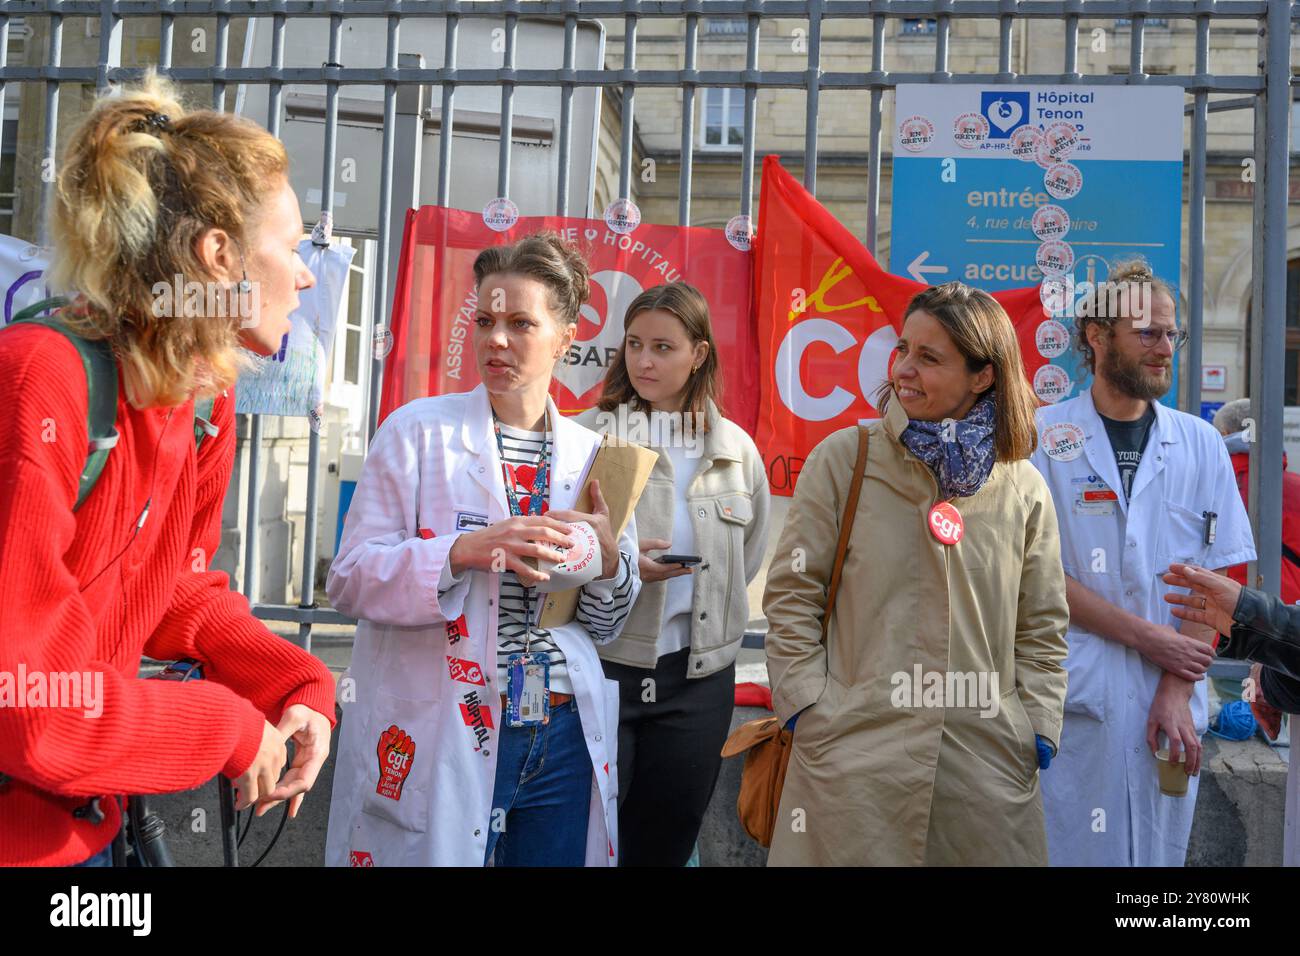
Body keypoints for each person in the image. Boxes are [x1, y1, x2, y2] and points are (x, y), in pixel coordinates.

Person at [0, 73, 337, 867]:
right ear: (217, 254)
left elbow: (168, 589)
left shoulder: (202, 400)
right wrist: (224, 728)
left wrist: (296, 683)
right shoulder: (39, 378)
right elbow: (31, 711)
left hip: (93, 828)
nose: (307, 274)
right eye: (291, 248)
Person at [325, 231, 640, 867]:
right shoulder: (417, 433)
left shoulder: (592, 456)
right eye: (486, 320)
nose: (496, 339)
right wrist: (463, 550)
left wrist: (611, 567)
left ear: (566, 336)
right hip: (447, 719)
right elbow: (349, 579)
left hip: (557, 729)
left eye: (521, 323)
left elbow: (605, 627)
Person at [763, 281, 1069, 866]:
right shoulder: (845, 458)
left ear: (983, 376)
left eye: (930, 358)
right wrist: (808, 706)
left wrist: (1035, 726)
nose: (904, 369)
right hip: (853, 760)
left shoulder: (1022, 487)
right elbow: (793, 593)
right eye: (904, 349)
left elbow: (1042, 625)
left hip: (984, 766)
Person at [1031, 259, 1256, 867]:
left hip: (1168, 712)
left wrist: (1178, 687)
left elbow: (1222, 576)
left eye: (1171, 334)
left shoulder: (1200, 442)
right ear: (1097, 337)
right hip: (1078, 703)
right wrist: (1150, 640)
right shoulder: (1041, 439)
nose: (1164, 348)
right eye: (1147, 333)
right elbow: (1035, 576)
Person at [577, 282, 770, 866]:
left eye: (663, 347)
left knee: (664, 844)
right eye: (634, 344)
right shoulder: (590, 435)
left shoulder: (735, 448)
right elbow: (563, 552)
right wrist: (628, 571)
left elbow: (749, 556)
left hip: (698, 677)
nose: (643, 360)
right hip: (605, 666)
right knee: (590, 839)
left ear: (699, 354)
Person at [1163, 563, 1300, 713]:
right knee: (1239, 704)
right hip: (1246, 630)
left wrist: (1254, 615)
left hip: (1252, 624)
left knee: (1237, 705)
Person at [1212, 398, 1300, 603]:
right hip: (1290, 614)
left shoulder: (1209, 485)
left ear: (1224, 434)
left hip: (1227, 613)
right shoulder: (1295, 487)